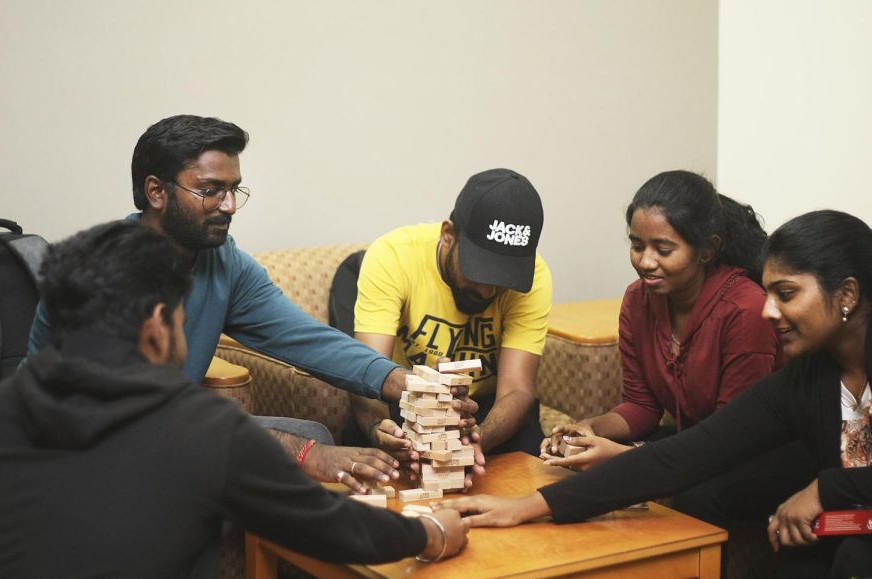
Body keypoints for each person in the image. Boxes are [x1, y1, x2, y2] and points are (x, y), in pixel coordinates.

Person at [0, 221, 468, 578]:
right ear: (155, 329)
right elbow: (329, 525)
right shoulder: (197, 429)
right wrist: (431, 533)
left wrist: (395, 380)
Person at [26, 115, 476, 493]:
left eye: (234, 190)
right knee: (301, 448)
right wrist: (304, 456)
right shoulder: (103, 276)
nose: (228, 206)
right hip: (83, 444)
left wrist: (406, 383)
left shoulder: (223, 263)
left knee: (313, 434)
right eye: (210, 190)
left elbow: (305, 338)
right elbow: (143, 420)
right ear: (156, 192)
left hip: (169, 426)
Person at [441, 209, 872, 579]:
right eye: (769, 292)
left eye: (787, 294)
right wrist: (525, 507)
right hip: (845, 526)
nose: (768, 310)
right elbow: (685, 456)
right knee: (802, 554)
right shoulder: (804, 380)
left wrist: (824, 490)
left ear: (847, 294)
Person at [541, 170, 817, 529]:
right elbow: (641, 406)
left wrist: (627, 457)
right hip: (699, 441)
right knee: (575, 473)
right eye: (637, 246)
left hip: (760, 451)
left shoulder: (745, 310)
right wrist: (590, 428)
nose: (645, 261)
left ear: (707, 250)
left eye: (663, 249)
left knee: (695, 498)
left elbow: (733, 437)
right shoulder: (637, 300)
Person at [346, 168, 552, 483]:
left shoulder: (535, 277)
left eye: (503, 279)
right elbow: (366, 374)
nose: (487, 291)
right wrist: (377, 430)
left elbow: (517, 389)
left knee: (532, 488)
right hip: (403, 402)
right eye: (479, 271)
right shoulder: (393, 256)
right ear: (448, 235)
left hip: (486, 410)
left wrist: (478, 437)